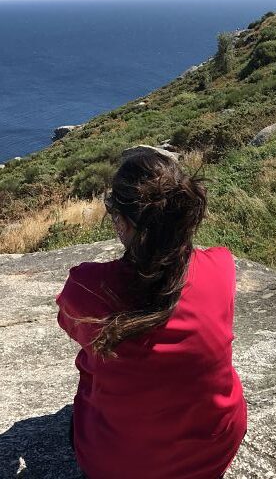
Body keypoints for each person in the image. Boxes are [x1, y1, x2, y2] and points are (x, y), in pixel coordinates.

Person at [56, 150, 248, 479]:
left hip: (119, 467)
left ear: (121, 221)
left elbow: (72, 327)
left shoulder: (86, 287)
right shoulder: (221, 267)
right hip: (212, 453)